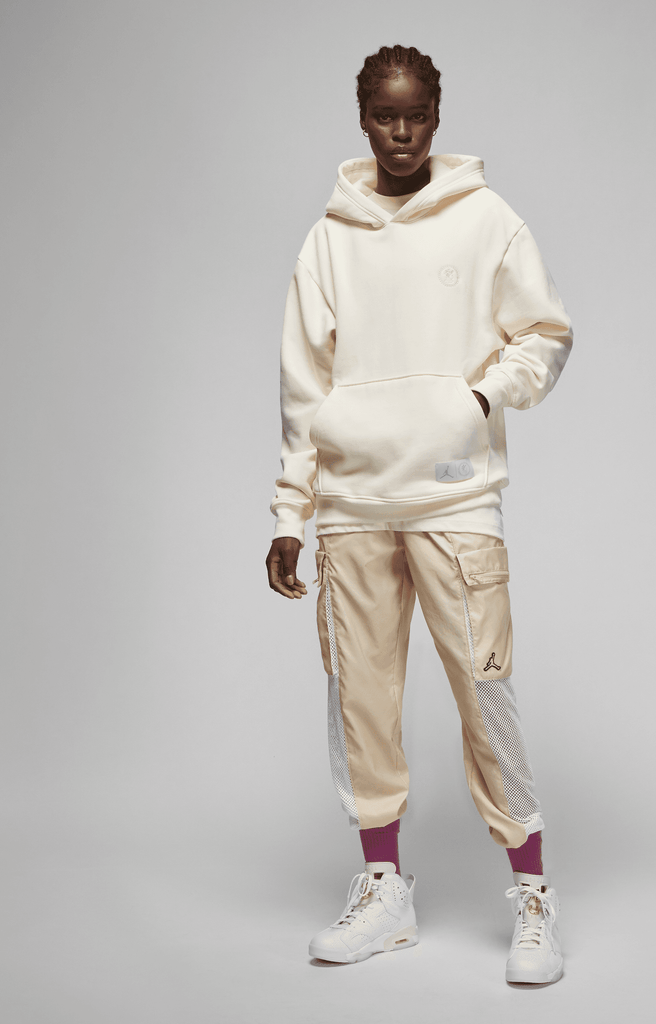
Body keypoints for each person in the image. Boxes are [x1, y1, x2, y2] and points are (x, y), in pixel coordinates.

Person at [266, 44, 572, 985]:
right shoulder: (327, 241)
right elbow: (302, 388)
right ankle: (384, 891)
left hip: (455, 493)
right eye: (384, 116)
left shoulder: (487, 220)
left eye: (417, 115)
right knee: (359, 698)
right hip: (351, 504)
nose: (401, 133)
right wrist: (289, 513)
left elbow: (545, 333)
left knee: (485, 691)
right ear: (362, 116)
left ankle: (532, 895)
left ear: (437, 114)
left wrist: (479, 399)